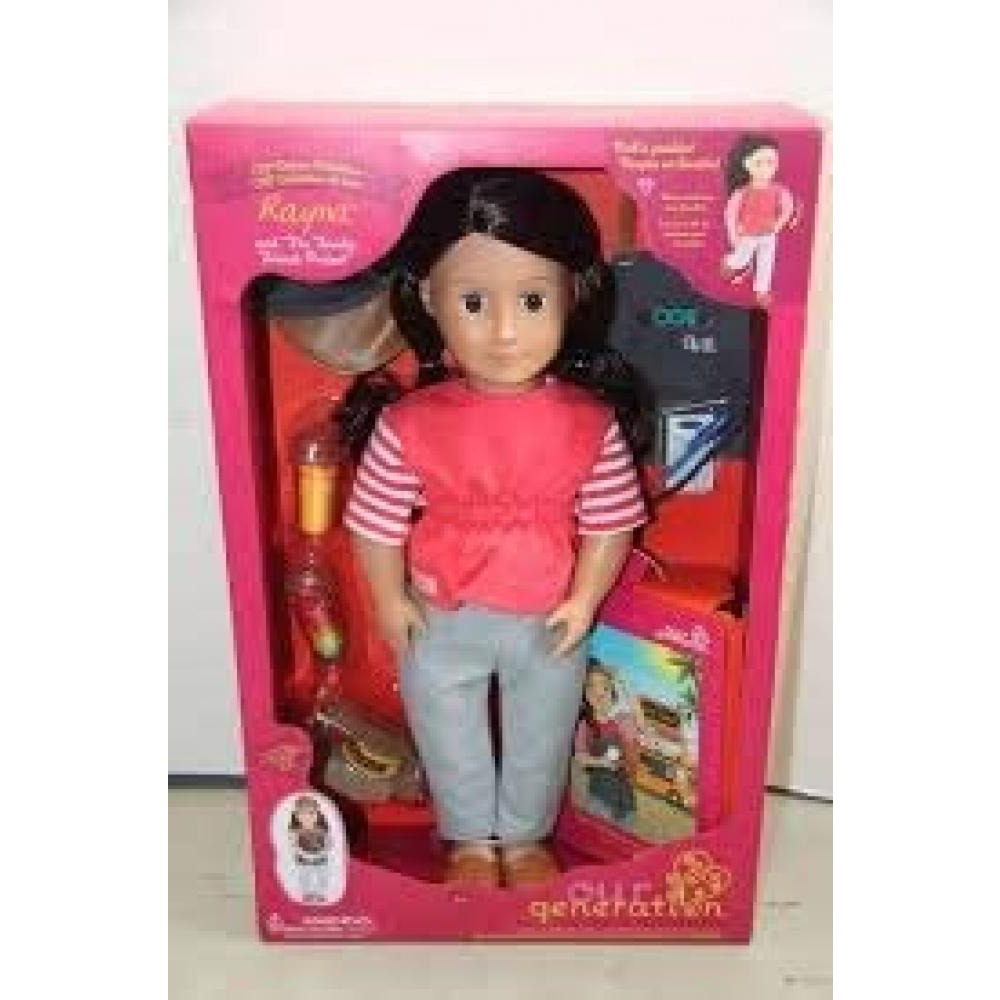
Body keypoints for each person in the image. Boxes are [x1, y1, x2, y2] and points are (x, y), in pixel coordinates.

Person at [339, 168, 650, 889]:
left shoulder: (588, 422)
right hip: (441, 609)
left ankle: (524, 834)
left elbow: (610, 520)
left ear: (571, 295)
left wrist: (585, 598)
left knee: (545, 725)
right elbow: (376, 520)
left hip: (548, 612)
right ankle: (471, 840)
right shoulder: (410, 422)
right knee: (446, 725)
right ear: (429, 298)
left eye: (532, 300)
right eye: (474, 302)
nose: (505, 331)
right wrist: (388, 600)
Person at [720, 134, 795, 307]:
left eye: (771, 162)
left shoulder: (779, 191)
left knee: (765, 263)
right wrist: (734, 235)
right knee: (743, 258)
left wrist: (778, 225)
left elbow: (788, 207)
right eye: (759, 163)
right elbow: (730, 214)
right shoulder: (743, 192)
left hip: (769, 235)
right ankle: (730, 262)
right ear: (746, 164)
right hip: (748, 235)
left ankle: (761, 291)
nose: (766, 168)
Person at [573, 663, 640, 826]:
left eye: (604, 687)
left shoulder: (623, 720)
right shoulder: (585, 725)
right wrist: (602, 762)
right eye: (592, 687)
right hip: (600, 797)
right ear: (586, 695)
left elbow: (637, 713)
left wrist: (621, 679)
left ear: (612, 693)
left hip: (627, 803)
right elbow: (580, 757)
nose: (599, 692)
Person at [288, 795, 331, 902]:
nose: (307, 817)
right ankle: (307, 893)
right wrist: (303, 854)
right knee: (305, 876)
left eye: (311, 813)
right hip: (303, 859)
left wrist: (324, 851)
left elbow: (328, 842)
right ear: (297, 815)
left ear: (318, 814)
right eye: (303, 813)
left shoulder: (322, 829)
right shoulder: (296, 831)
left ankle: (321, 893)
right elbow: (294, 845)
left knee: (322, 876)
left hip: (320, 858)